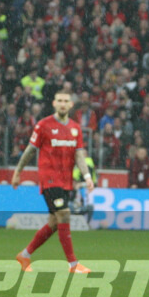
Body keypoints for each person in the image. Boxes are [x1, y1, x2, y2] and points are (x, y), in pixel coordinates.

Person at [11, 90, 95, 274]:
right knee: (64, 214)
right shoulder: (44, 125)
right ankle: (73, 264)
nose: (63, 104)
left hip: (65, 182)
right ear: (54, 104)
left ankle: (24, 255)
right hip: (49, 179)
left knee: (55, 222)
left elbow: (80, 154)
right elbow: (29, 151)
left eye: (66, 101)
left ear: (71, 105)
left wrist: (87, 176)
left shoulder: (75, 128)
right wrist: (18, 172)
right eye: (60, 101)